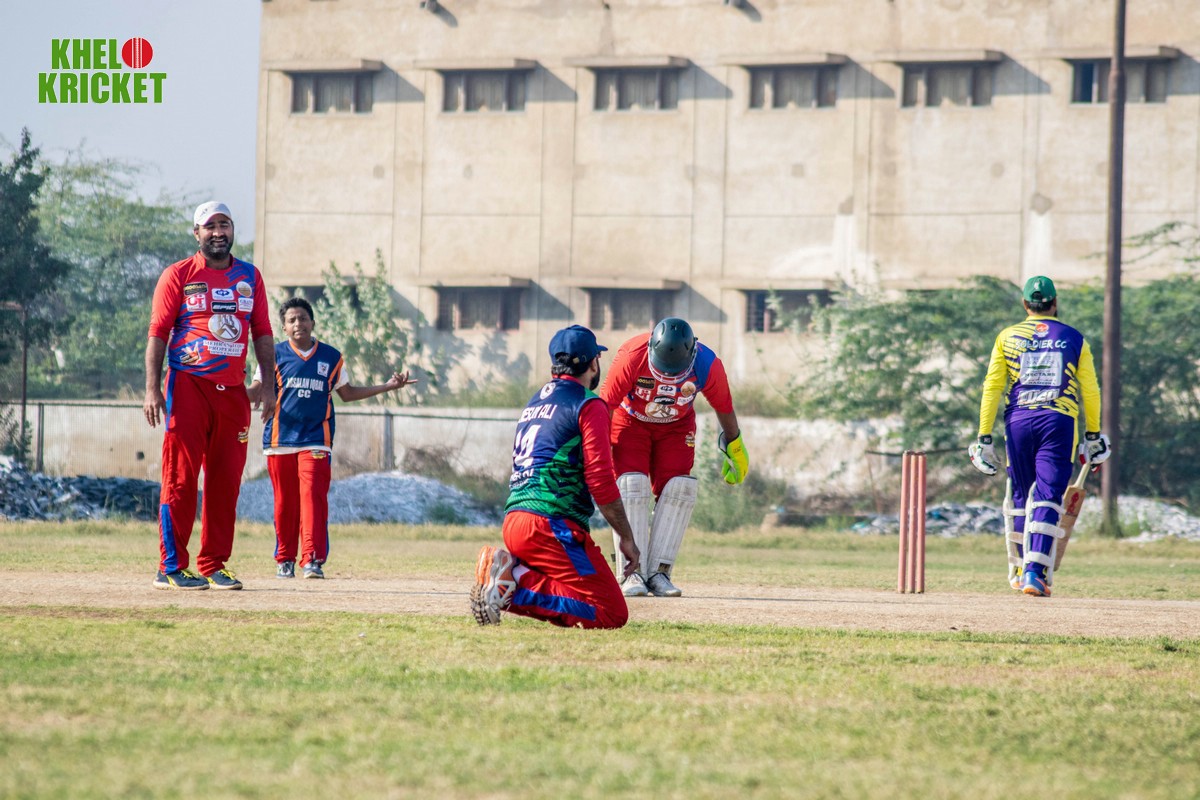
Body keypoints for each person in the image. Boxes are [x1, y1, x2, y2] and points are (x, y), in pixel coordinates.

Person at [471, 325, 641, 629]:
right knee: (609, 612)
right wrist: (626, 537)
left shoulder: (534, 403)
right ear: (593, 363)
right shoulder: (589, 404)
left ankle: (512, 573)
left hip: (515, 520)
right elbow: (601, 480)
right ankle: (513, 585)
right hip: (551, 526)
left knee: (573, 595)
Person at [144, 201, 277, 591]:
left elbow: (263, 333)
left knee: (226, 481)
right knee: (181, 478)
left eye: (225, 225)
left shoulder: (249, 276)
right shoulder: (178, 275)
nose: (218, 232)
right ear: (197, 233)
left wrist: (269, 386)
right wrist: (152, 388)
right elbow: (158, 333)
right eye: (210, 226)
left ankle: (214, 564)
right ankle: (171, 566)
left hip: (233, 393)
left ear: (232, 230)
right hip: (188, 385)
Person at [248, 297, 416, 580]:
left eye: (303, 318)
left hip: (316, 438)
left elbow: (347, 393)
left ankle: (312, 560)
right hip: (279, 439)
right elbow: (256, 390)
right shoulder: (273, 355)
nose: (298, 324)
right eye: (291, 320)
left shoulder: (331, 357)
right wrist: (224, 389)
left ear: (312, 322)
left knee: (313, 498)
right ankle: (285, 559)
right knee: (285, 503)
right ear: (284, 327)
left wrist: (387, 386)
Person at [969, 275, 1110, 597]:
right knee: (1047, 495)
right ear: (1055, 303)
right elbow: (1090, 390)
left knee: (1021, 494)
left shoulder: (1008, 337)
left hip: (1018, 421)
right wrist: (1092, 434)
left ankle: (1019, 571)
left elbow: (992, 387)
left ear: (1025, 304)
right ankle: (1034, 573)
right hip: (1057, 422)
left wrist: (984, 436)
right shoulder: (1073, 338)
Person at [596, 317, 749, 598]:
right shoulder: (632, 355)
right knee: (631, 485)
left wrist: (735, 446)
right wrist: (593, 449)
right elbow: (604, 407)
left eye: (675, 370)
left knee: (679, 489)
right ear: (651, 348)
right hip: (631, 423)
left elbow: (724, 406)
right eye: (662, 368)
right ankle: (631, 573)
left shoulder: (707, 364)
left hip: (676, 427)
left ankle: (659, 573)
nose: (667, 375)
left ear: (692, 353)